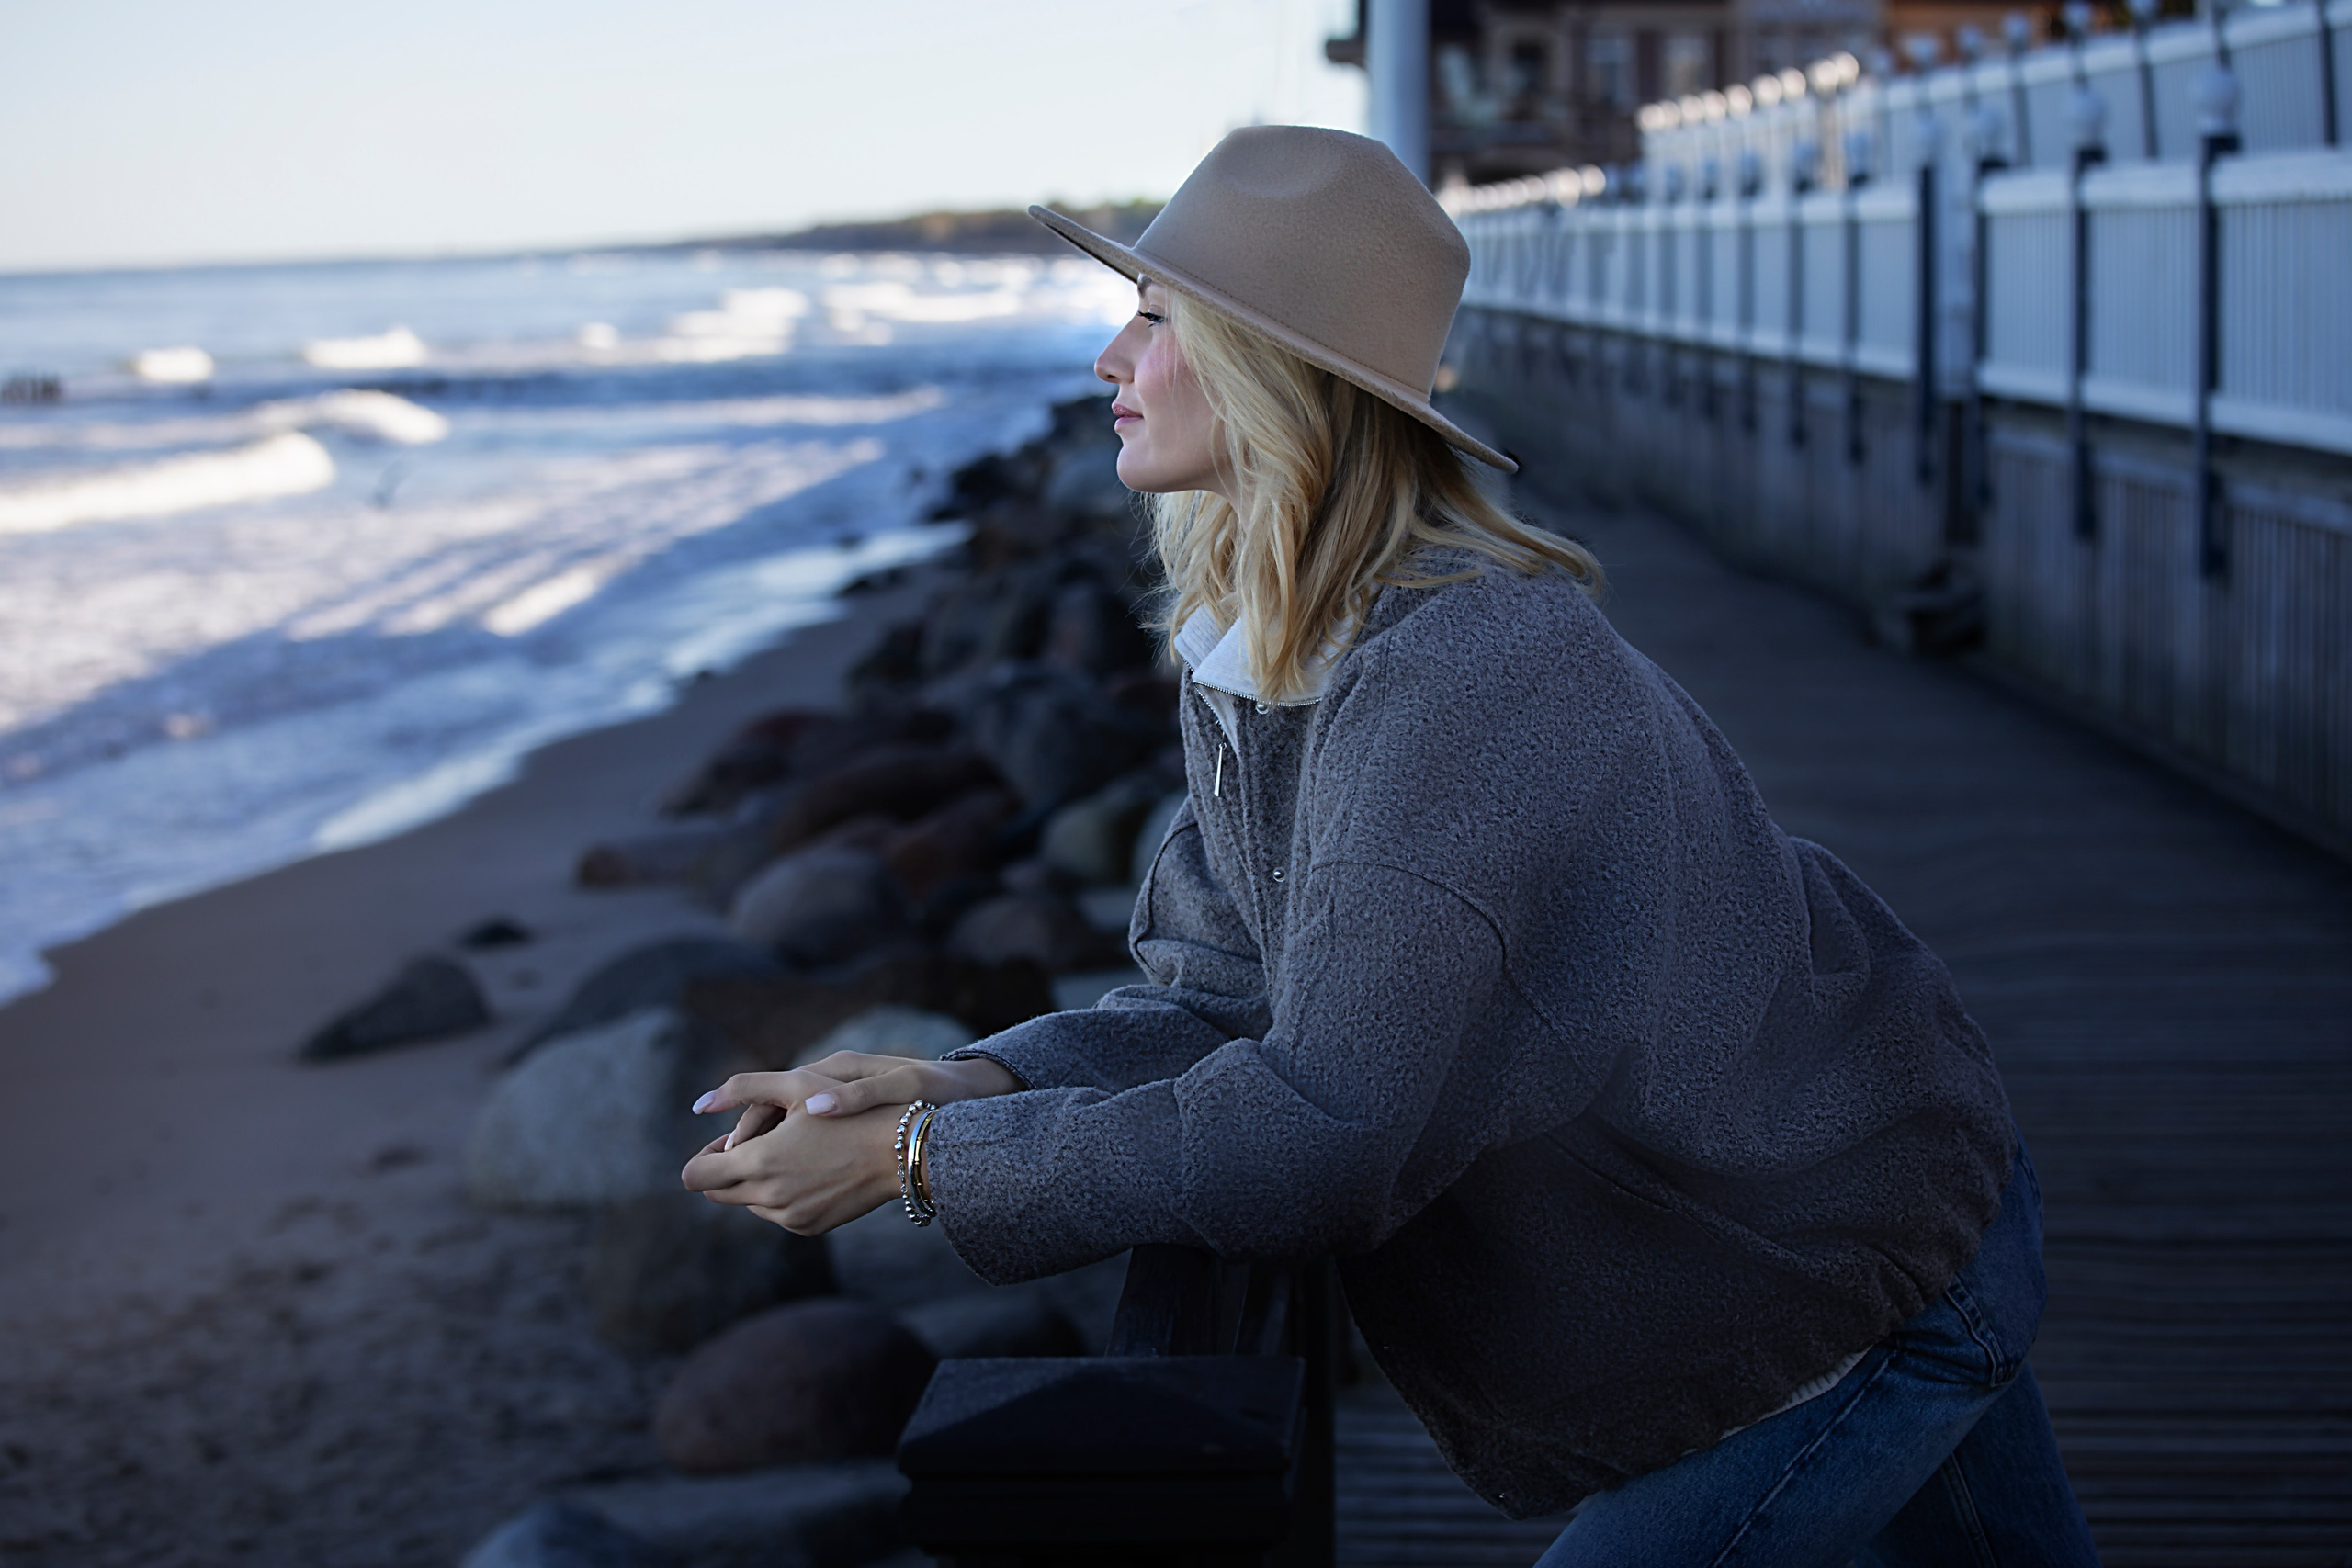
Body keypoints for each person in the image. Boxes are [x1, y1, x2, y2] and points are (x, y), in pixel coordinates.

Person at [681, 125, 2102, 1566]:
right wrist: (963, 1081)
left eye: (1156, 319)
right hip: (1797, 1245)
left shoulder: (1467, 678)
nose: (1111, 359)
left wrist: (924, 1164)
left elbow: (1320, 1134)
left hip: (1835, 1276)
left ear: (1270, 371)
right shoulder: (1273, 649)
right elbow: (1224, 998)